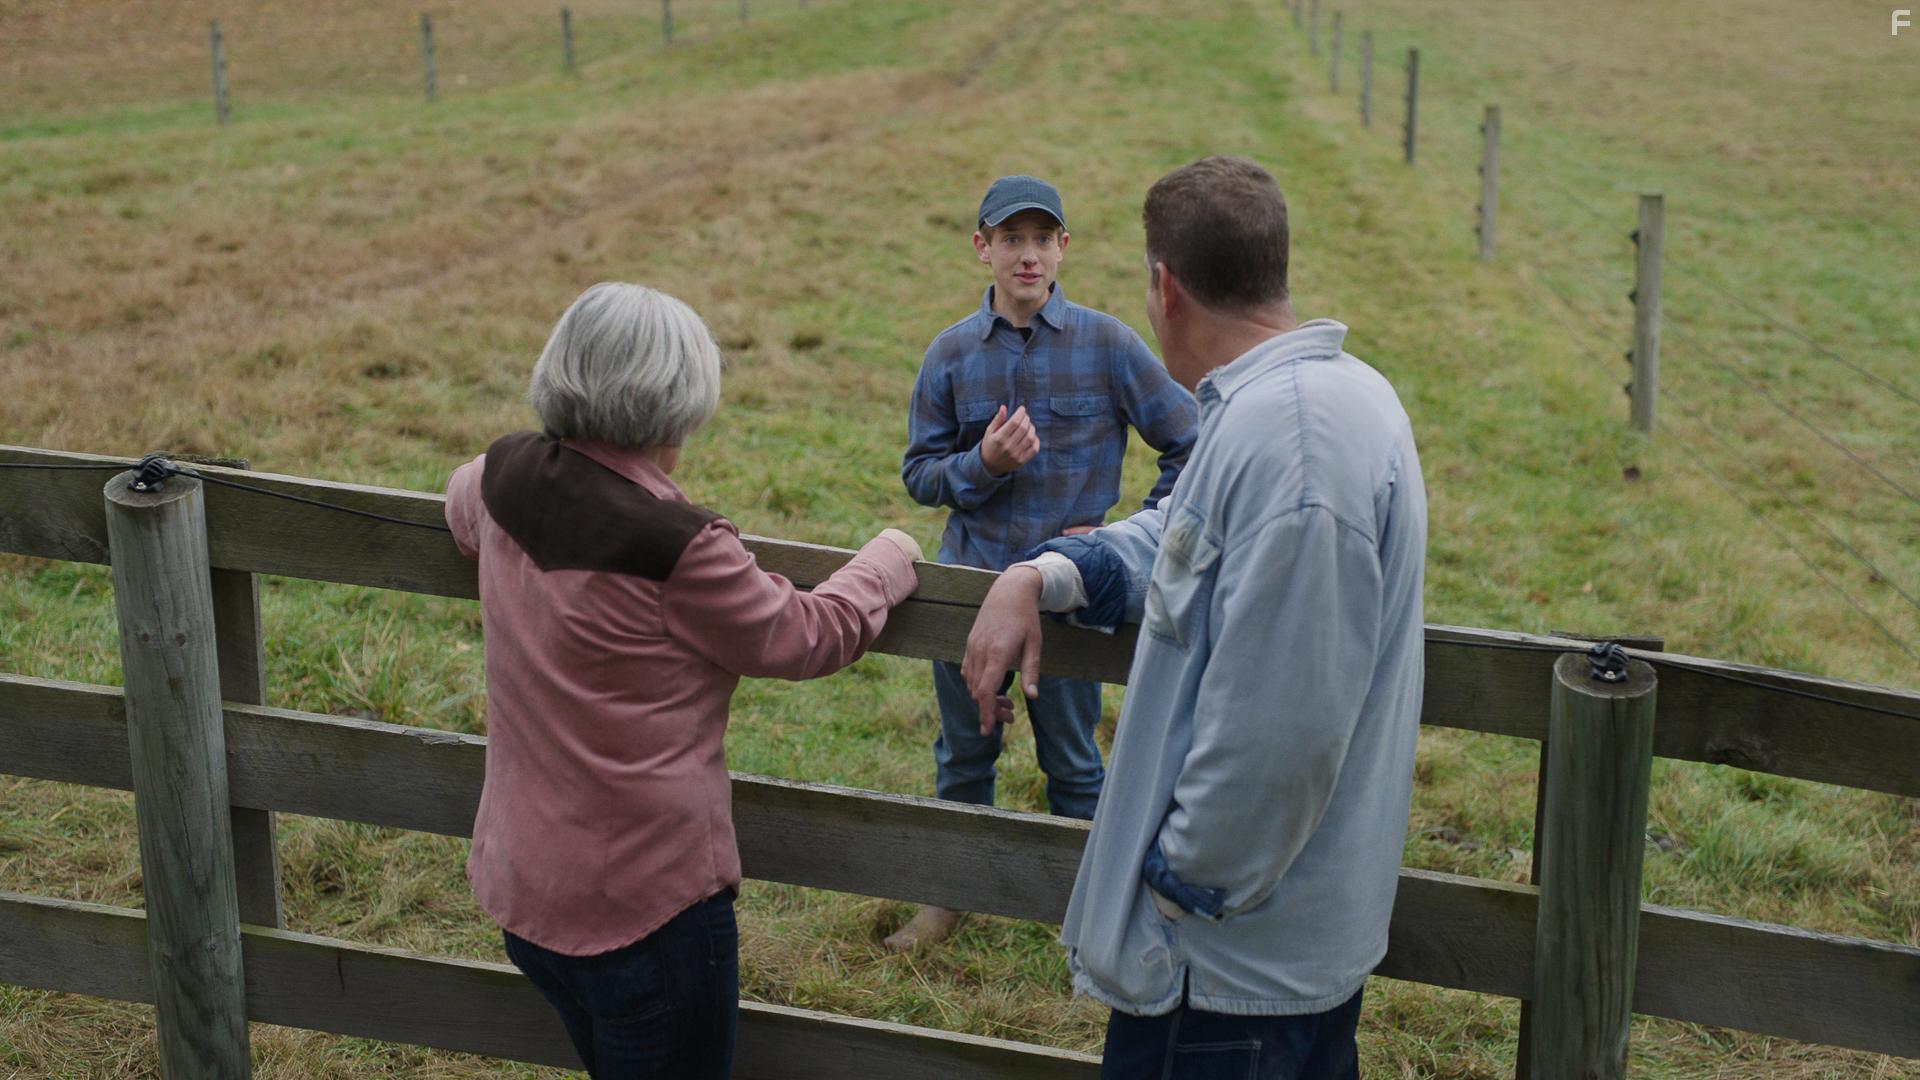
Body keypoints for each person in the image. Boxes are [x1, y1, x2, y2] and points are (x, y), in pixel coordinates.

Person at [962, 156, 1428, 1079]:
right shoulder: (1294, 409)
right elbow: (1177, 535)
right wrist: (1044, 574)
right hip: (1245, 967)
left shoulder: (1295, 449)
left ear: (1164, 287)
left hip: (1224, 977)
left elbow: (1283, 732)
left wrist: (1178, 886)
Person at [444, 282, 922, 1079]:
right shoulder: (681, 546)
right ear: (685, 398)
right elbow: (807, 635)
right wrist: (889, 559)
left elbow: (459, 513)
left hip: (524, 890)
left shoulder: (502, 475)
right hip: (645, 911)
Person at [893, 175, 1198, 950]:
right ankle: (946, 903)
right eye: (1010, 239)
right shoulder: (952, 354)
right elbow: (920, 473)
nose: (1027, 255)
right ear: (983, 248)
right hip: (971, 591)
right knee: (964, 754)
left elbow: (1191, 441)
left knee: (1076, 765)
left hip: (1070, 600)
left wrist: (1127, 535)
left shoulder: (1108, 344)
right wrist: (983, 464)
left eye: (1041, 240)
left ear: (1064, 248)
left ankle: (1089, 919)